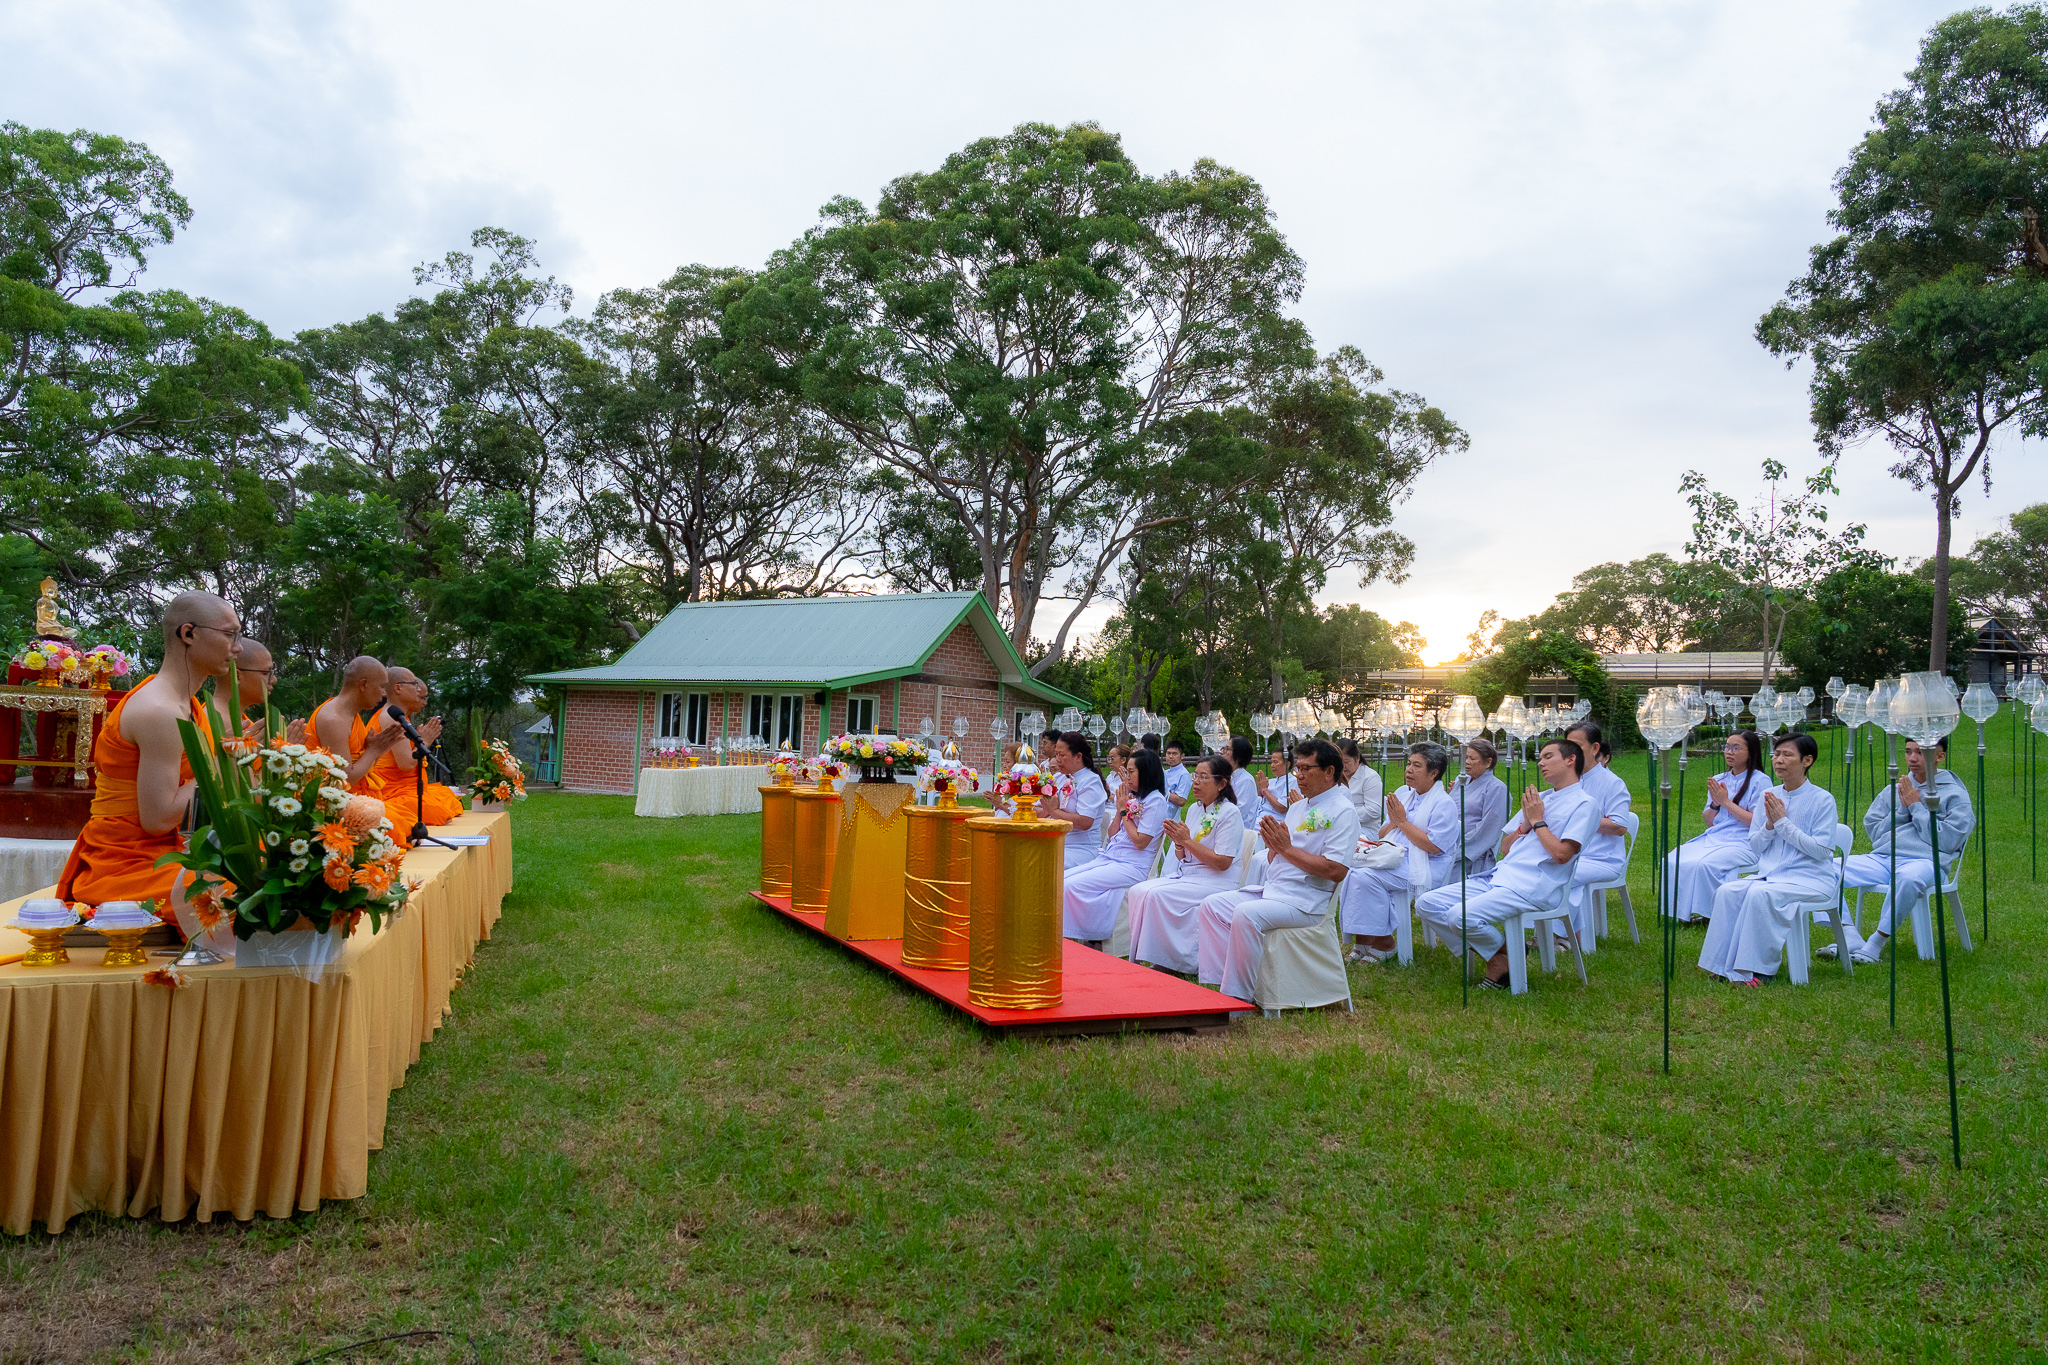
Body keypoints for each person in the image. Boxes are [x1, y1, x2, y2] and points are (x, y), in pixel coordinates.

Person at [55, 592, 232, 909]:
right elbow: (159, 818)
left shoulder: (187, 705)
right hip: (126, 863)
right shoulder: (160, 711)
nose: (238, 648)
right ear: (188, 633)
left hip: (170, 851)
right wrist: (222, 763)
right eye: (229, 634)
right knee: (235, 894)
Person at [1415, 738, 1598, 989]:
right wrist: (1526, 823)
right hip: (1500, 876)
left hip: (1534, 885)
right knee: (1427, 903)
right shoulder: (1538, 798)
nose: (1541, 763)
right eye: (1540, 757)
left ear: (1570, 760)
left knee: (1460, 916)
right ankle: (1503, 953)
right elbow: (1506, 847)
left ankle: (1500, 962)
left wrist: (1537, 821)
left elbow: (1562, 855)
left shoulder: (1585, 804)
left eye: (1548, 757)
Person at [1195, 739, 1361, 1003]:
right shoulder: (1298, 807)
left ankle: (1237, 999)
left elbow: (1336, 870)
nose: (1300, 776)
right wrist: (1273, 847)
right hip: (1275, 891)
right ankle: (1219, 984)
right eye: (1298, 769)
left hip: (1306, 901)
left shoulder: (1343, 811)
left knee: (1245, 915)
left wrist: (1285, 849)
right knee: (1211, 906)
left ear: (1329, 772)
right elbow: (1279, 857)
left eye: (1307, 769)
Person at [1696, 733, 1839, 985]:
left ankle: (1758, 971)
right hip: (1771, 874)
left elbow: (1822, 851)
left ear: (1807, 760)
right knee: (1728, 891)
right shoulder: (1769, 795)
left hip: (1810, 879)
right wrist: (1771, 825)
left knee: (1758, 895)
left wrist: (1783, 823)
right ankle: (1721, 964)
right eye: (1776, 754)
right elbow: (1756, 845)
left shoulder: (1822, 800)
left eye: (1787, 755)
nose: (1779, 760)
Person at [1832, 736, 1974, 965]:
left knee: (1908, 878)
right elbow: (1874, 830)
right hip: (1883, 858)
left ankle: (1875, 943)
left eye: (1921, 752)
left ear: (1940, 756)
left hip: (1927, 864)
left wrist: (1917, 806)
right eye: (1908, 751)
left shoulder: (1955, 795)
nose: (1913, 758)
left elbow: (1947, 842)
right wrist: (1903, 808)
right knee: (1822, 868)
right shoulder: (1896, 789)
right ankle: (1848, 935)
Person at [1340, 742, 1460, 963]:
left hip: (1425, 864)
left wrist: (1403, 822)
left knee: (1365, 877)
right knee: (1352, 873)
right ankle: (1363, 942)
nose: (1408, 770)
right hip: (1396, 856)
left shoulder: (1444, 804)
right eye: (1408, 764)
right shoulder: (1405, 796)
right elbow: (1383, 833)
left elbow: (1435, 847)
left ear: (1433, 773)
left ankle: (1384, 943)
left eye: (1416, 766)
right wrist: (1395, 823)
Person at [1127, 756, 1246, 974]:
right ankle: (1156, 957)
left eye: (1203, 777)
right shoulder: (1195, 810)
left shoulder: (1230, 813)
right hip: (1190, 876)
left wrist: (1187, 841)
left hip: (1217, 881)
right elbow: (1184, 857)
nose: (1196, 782)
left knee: (1155, 895)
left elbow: (1222, 863)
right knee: (1138, 891)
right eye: (1195, 776)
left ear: (1221, 784)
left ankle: (1170, 962)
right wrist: (1179, 844)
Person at [1063, 749, 1171, 943]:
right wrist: (1123, 808)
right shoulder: (1136, 798)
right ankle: (1076, 934)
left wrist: (1123, 810)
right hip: (1113, 857)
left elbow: (1140, 842)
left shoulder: (1155, 801)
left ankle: (1078, 935)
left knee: (1071, 885)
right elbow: (1113, 834)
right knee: (1063, 879)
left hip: (1133, 865)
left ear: (1145, 773)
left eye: (1131, 772)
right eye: (1126, 772)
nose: (1126, 777)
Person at [1664, 730, 1767, 923]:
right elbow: (1710, 821)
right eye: (1727, 747)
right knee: (1672, 860)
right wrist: (1715, 804)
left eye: (1736, 748)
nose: (1729, 752)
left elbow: (1756, 822)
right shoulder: (1719, 779)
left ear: (1751, 752)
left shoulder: (1760, 781)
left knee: (1705, 864)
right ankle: (1681, 912)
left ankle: (1713, 916)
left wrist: (1725, 802)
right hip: (1716, 836)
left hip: (1744, 841)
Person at [361, 667, 461, 844]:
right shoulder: (389, 717)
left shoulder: (399, 716)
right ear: (398, 688)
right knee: (439, 810)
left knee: (447, 799)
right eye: (414, 684)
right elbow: (406, 764)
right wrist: (425, 741)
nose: (419, 689)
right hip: (391, 792)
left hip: (406, 788)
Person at [1562, 721, 1633, 951]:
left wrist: (1583, 819)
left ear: (1594, 748)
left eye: (1577, 746)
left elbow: (1620, 825)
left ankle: (1565, 937)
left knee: (1562, 873)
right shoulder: (1565, 780)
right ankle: (1560, 933)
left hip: (1603, 858)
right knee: (1547, 868)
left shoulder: (1612, 783)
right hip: (1572, 852)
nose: (1570, 752)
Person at [309, 655, 407, 791]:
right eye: (382, 686)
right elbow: (344, 779)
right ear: (363, 684)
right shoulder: (334, 719)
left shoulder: (351, 714)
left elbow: (362, 769)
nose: (384, 694)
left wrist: (373, 751)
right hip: (328, 803)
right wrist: (373, 751)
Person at [1038, 731, 1111, 873]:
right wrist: (1047, 811)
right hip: (1056, 843)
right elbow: (1036, 809)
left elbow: (1084, 822)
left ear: (1078, 756)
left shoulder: (1090, 781)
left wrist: (1054, 812)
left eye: (1062, 755)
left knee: (1042, 861)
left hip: (1081, 849)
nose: (1058, 759)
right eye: (1056, 755)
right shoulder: (1059, 778)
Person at [1455, 740, 1510, 881]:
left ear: (1488, 762)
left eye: (1472, 758)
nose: (1466, 762)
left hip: (1470, 853)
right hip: (1448, 842)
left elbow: (1489, 828)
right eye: (1465, 757)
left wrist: (1456, 850)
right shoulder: (1461, 780)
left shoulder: (1496, 788)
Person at [1337, 737, 1385, 827]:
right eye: (1339, 763)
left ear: (1357, 758)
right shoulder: (1335, 776)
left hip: (1365, 828)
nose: (1343, 766)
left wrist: (1343, 814)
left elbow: (1373, 811)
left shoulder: (1370, 777)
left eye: (1346, 762)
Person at [1256, 749, 1301, 816]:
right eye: (1271, 762)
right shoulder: (1271, 781)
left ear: (1287, 764)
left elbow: (1282, 808)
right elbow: (1259, 802)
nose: (1272, 765)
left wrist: (1265, 790)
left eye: (1275, 762)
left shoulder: (1292, 781)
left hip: (1275, 820)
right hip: (1259, 817)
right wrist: (1260, 789)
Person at [1226, 736, 1259, 811]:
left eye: (1227, 749)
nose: (1221, 752)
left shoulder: (1246, 780)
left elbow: (1240, 812)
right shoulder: (1229, 776)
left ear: (1238, 756)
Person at [1162, 739, 1194, 810]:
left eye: (1174, 753)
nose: (1171, 756)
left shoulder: (1184, 775)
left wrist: (1161, 792)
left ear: (1182, 756)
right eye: (1168, 753)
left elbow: (1181, 801)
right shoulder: (1165, 772)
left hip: (1171, 817)